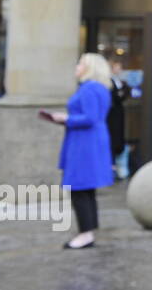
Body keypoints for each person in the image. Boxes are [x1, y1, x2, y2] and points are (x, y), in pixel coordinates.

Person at [47, 53, 114, 249]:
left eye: (80, 63)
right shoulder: (99, 88)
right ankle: (88, 231)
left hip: (84, 143)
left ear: (89, 68)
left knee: (79, 189)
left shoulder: (88, 89)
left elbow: (90, 118)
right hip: (90, 141)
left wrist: (64, 118)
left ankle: (85, 233)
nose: (76, 67)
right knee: (86, 190)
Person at [106, 58, 131, 179]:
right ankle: (111, 168)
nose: (120, 70)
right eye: (118, 67)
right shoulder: (109, 82)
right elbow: (115, 96)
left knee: (117, 139)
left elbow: (122, 95)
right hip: (111, 116)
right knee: (112, 139)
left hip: (118, 114)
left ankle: (116, 167)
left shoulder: (120, 82)